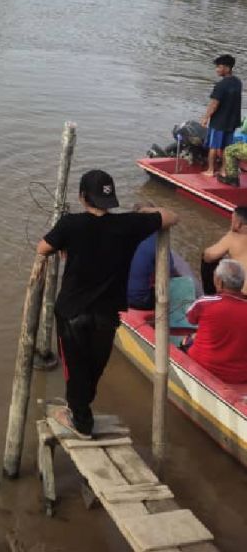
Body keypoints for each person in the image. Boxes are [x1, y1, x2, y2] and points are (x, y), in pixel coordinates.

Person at [37, 170, 178, 439]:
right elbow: (172, 217)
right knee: (94, 365)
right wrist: (149, 211)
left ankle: (80, 420)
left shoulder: (70, 224)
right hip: (107, 312)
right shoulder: (129, 225)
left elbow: (42, 248)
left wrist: (66, 249)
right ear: (110, 198)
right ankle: (81, 409)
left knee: (75, 366)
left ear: (82, 197)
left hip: (72, 311)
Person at [184, 259, 247, 383]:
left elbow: (190, 318)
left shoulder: (205, 302)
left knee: (188, 338)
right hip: (240, 376)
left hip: (204, 367)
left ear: (219, 282)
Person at [201, 54, 242, 176]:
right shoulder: (238, 82)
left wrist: (205, 118)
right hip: (232, 121)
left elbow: (214, 104)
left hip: (219, 122)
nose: (217, 69)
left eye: (220, 67)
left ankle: (210, 170)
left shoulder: (220, 85)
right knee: (226, 148)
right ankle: (224, 170)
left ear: (227, 68)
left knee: (213, 146)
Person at [201, 207, 247, 293]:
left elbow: (209, 256)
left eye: (232, 221)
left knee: (208, 259)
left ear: (238, 224)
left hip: (242, 297)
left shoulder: (234, 236)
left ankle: (210, 296)